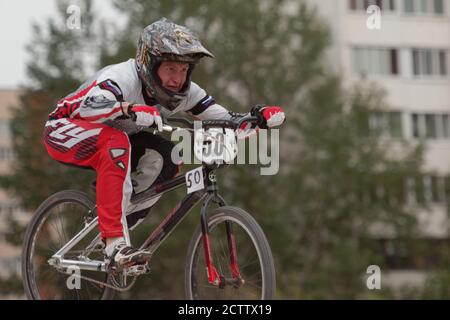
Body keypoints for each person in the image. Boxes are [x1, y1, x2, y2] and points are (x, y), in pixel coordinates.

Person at [43, 18, 285, 267]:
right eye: (171, 68)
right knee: (115, 142)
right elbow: (91, 107)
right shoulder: (121, 77)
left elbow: (224, 120)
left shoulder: (187, 92)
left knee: (170, 157)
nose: (178, 78)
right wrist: (129, 108)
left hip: (118, 136)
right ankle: (114, 242)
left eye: (184, 70)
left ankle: (118, 225)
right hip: (64, 128)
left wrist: (257, 120)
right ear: (150, 63)